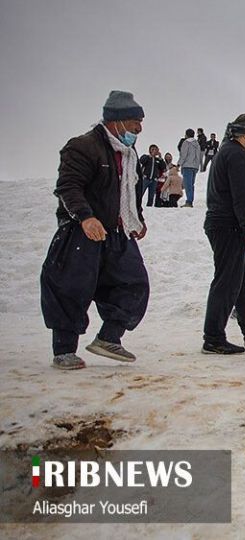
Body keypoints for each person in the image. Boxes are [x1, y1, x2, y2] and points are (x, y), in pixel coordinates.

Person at [40, 90, 150, 370]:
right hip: (82, 231)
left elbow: (130, 190)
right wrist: (86, 218)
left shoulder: (128, 153)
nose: (139, 128)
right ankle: (64, 350)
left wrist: (137, 218)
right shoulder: (84, 146)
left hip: (117, 232)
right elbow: (68, 186)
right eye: (135, 121)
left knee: (134, 283)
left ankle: (109, 337)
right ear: (117, 121)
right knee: (71, 287)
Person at [202, 114, 245, 354]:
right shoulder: (236, 155)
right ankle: (213, 338)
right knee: (227, 281)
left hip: (231, 225)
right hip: (228, 226)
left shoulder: (233, 152)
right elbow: (241, 197)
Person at [177, 128, 202, 207]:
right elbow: (199, 156)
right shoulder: (197, 144)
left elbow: (183, 155)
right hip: (194, 166)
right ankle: (190, 200)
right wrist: (197, 166)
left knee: (187, 185)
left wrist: (179, 164)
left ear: (186, 135)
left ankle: (189, 201)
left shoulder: (186, 142)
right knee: (191, 185)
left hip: (187, 165)